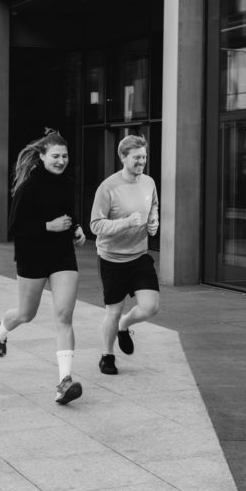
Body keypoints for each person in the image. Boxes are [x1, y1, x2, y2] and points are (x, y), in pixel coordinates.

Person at [0, 129, 86, 406]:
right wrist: (48, 226)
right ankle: (0, 329)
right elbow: (14, 228)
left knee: (64, 315)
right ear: (42, 156)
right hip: (32, 256)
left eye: (65, 156)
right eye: (55, 156)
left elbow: (68, 212)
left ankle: (64, 381)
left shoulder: (67, 182)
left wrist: (76, 228)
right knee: (26, 313)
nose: (61, 161)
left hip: (62, 256)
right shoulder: (28, 187)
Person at [90, 135, 160, 376]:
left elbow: (153, 208)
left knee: (150, 307)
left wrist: (153, 222)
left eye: (144, 156)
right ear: (122, 157)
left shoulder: (149, 182)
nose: (142, 161)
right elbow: (96, 225)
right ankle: (107, 356)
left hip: (139, 255)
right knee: (113, 310)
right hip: (112, 259)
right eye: (136, 157)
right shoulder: (108, 187)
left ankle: (125, 325)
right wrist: (126, 222)